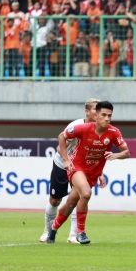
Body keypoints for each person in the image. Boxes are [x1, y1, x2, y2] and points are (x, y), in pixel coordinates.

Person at [47, 101, 130, 244]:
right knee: (85, 193)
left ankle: (53, 228)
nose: (107, 118)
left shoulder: (113, 132)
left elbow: (126, 152)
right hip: (77, 167)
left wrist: (116, 155)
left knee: (71, 203)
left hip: (93, 172)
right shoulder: (83, 128)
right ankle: (81, 233)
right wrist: (66, 160)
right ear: (96, 115)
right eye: (103, 115)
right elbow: (62, 136)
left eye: (109, 115)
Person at [39, 99, 102, 244]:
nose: (99, 113)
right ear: (87, 111)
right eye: (95, 110)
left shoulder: (101, 128)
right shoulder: (76, 126)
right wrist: (68, 161)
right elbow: (59, 147)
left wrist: (100, 172)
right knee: (55, 200)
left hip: (82, 168)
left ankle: (73, 235)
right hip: (62, 165)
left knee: (79, 197)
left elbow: (98, 152)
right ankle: (47, 231)